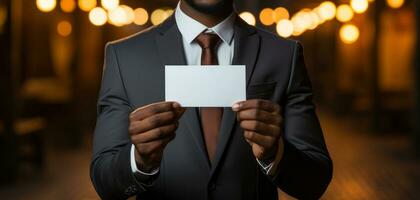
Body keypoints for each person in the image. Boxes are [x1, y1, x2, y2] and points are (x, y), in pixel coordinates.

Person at [90, 0, 333, 199]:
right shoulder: (125, 57)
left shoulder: (284, 55)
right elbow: (105, 182)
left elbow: (315, 182)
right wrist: (139, 161)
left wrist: (275, 153)